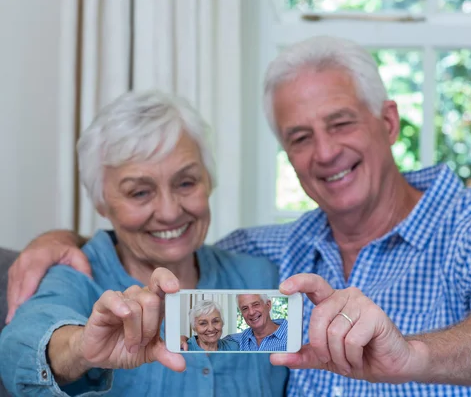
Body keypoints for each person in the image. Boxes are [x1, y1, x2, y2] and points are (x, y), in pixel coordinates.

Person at [6, 35, 471, 396]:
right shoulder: (271, 258)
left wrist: (411, 355)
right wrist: (63, 242)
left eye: (341, 123)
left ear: (388, 121)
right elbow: (29, 345)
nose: (326, 152)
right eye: (301, 137)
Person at [0, 90, 287, 396]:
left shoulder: (261, 276)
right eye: (139, 192)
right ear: (101, 203)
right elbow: (19, 349)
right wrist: (81, 347)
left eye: (186, 182)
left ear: (209, 180)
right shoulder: (75, 276)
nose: (170, 211)